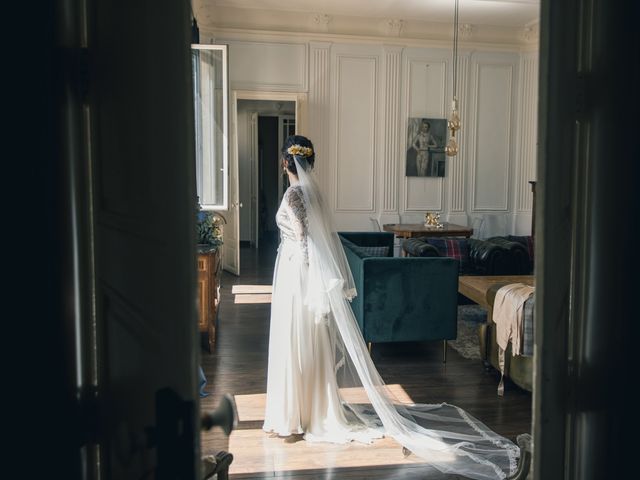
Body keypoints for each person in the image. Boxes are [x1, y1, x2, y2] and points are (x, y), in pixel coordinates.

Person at [263, 135, 519, 480]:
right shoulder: (314, 193)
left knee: (295, 340)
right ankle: (305, 410)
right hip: (299, 272)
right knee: (303, 342)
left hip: (297, 274)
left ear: (285, 164)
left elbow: (306, 241)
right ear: (311, 162)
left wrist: (309, 281)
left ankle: (295, 416)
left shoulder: (294, 194)